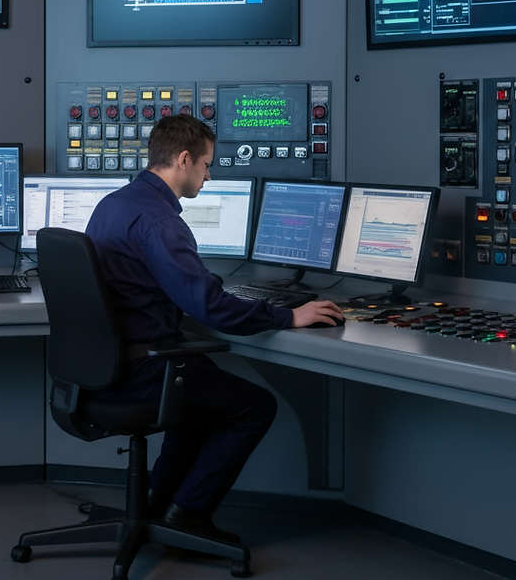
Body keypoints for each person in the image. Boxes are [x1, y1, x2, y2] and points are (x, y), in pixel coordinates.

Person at [85, 113, 343, 541]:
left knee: (200, 401)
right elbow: (209, 309)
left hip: (107, 365)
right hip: (143, 368)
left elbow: (154, 283)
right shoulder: (162, 222)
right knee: (255, 406)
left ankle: (159, 503)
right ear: (184, 160)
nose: (209, 174)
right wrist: (289, 315)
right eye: (206, 164)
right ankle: (188, 514)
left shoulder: (115, 203)